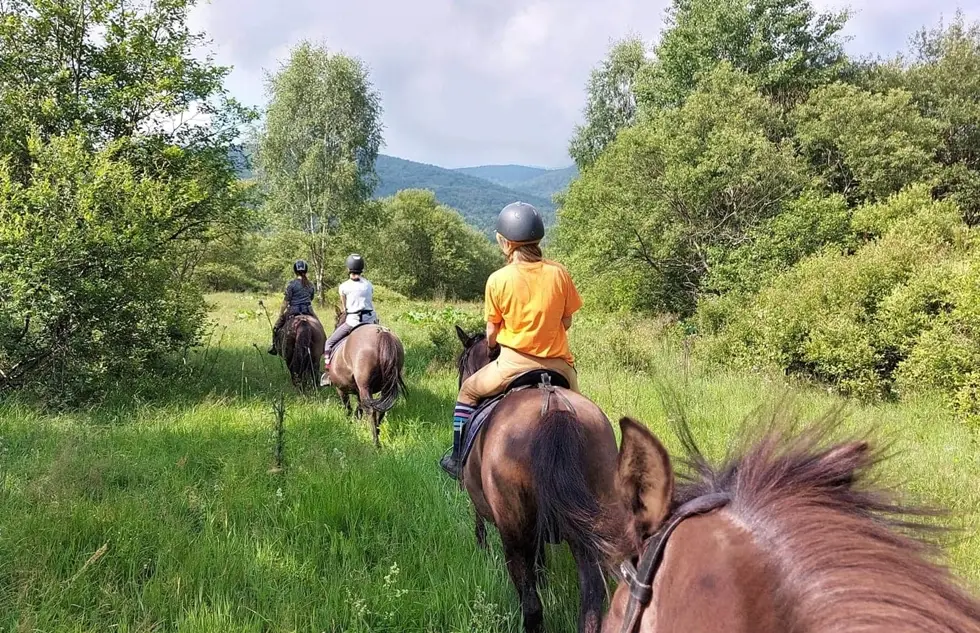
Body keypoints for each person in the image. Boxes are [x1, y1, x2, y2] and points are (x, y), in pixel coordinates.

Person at [439, 201, 584, 479]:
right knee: (584, 413)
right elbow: (567, 321)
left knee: (467, 392)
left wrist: (492, 347)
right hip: (560, 367)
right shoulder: (560, 273)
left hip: (513, 364)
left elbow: (492, 333)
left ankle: (458, 458)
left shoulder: (497, 279)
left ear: (505, 243)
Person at [320, 253, 379, 386]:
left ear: (348, 269)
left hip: (354, 322)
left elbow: (345, 308)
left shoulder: (344, 287)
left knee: (329, 343)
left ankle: (328, 374)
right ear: (362, 269)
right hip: (371, 321)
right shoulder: (369, 285)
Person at [268, 260, 317, 355]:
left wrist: (281, 314)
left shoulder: (291, 284)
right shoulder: (310, 285)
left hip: (293, 311)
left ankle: (274, 346)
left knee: (276, 327)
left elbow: (286, 302)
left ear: (295, 271)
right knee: (319, 326)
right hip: (308, 311)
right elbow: (310, 299)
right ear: (306, 271)